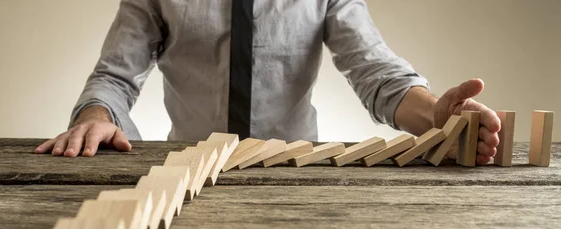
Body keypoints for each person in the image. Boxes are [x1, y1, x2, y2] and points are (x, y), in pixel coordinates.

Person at [35, 0, 500, 165]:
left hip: (296, 180)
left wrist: (438, 116)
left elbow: (377, 74)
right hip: (186, 176)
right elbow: (115, 76)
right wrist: (96, 116)